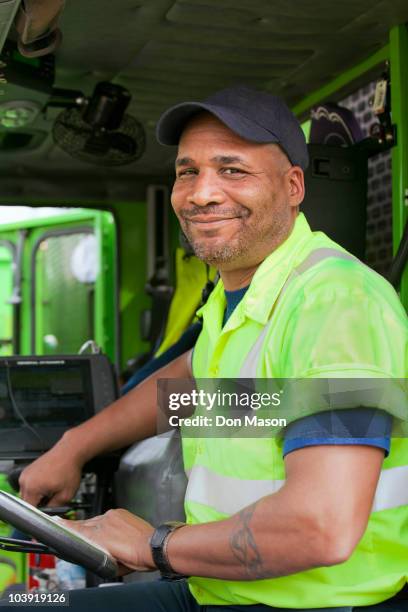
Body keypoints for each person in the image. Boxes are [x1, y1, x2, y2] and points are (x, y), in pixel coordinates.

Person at [6, 87, 408, 612]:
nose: (200, 193)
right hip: (219, 590)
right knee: (23, 602)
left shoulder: (336, 303)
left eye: (233, 170)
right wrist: (74, 447)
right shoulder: (243, 295)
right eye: (187, 171)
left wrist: (154, 545)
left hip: (315, 604)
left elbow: (321, 527)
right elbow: (196, 389)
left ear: (292, 187)